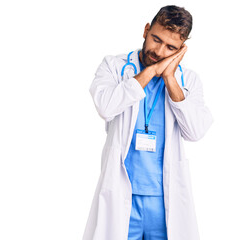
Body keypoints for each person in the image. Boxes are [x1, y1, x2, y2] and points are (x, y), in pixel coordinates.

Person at [83, 5, 213, 240]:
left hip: (164, 200)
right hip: (123, 195)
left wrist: (170, 77)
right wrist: (151, 72)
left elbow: (195, 131)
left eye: (171, 47)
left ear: (181, 49)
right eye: (156, 39)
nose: (160, 50)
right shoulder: (114, 67)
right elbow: (106, 107)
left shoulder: (188, 81)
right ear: (146, 30)